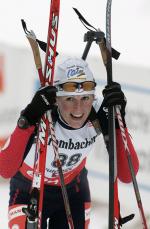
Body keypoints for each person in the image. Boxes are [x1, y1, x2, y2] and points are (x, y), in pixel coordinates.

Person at [0, 57, 139, 229]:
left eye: (85, 98)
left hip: (74, 189)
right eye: (70, 99)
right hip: (30, 188)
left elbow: (127, 175)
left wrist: (119, 124)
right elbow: (5, 170)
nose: (78, 109)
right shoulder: (43, 113)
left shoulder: (98, 113)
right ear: (57, 99)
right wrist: (28, 119)